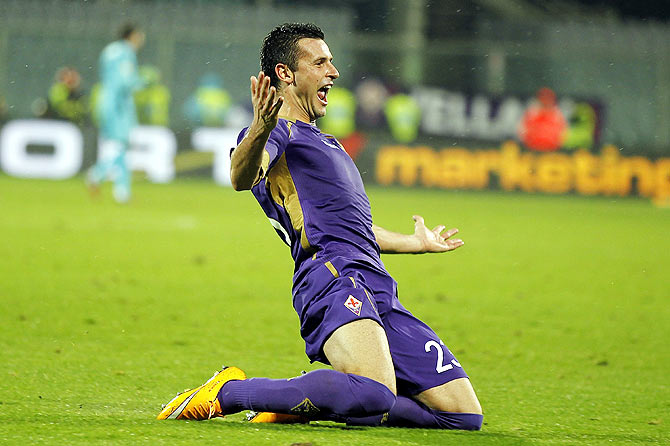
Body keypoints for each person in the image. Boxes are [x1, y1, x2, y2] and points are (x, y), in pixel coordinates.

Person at [157, 23, 483, 430]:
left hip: (376, 282)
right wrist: (259, 126)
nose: (334, 71)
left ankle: (303, 400)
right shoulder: (278, 132)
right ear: (286, 74)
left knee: (461, 415)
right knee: (374, 392)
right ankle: (228, 393)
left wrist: (415, 243)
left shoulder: (324, 140)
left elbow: (350, 228)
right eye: (320, 62)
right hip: (332, 276)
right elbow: (241, 176)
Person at [87, 23, 145, 203]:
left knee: (117, 147)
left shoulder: (109, 50)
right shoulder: (126, 53)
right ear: (132, 36)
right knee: (119, 147)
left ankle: (121, 191)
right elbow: (125, 80)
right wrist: (142, 81)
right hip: (119, 106)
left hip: (104, 101)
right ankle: (97, 175)